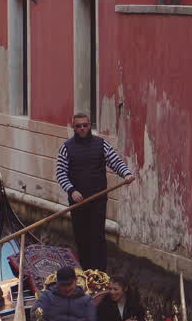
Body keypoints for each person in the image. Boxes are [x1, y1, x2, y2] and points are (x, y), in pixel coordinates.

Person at [55, 113, 136, 271]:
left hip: (98, 199)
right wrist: (72, 191)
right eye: (79, 126)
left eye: (85, 125)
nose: (82, 128)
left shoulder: (101, 144)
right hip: (78, 201)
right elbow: (61, 173)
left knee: (98, 237)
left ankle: (100, 273)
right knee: (82, 237)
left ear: (89, 125)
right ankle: (86, 272)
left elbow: (115, 161)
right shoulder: (66, 148)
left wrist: (126, 173)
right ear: (74, 127)